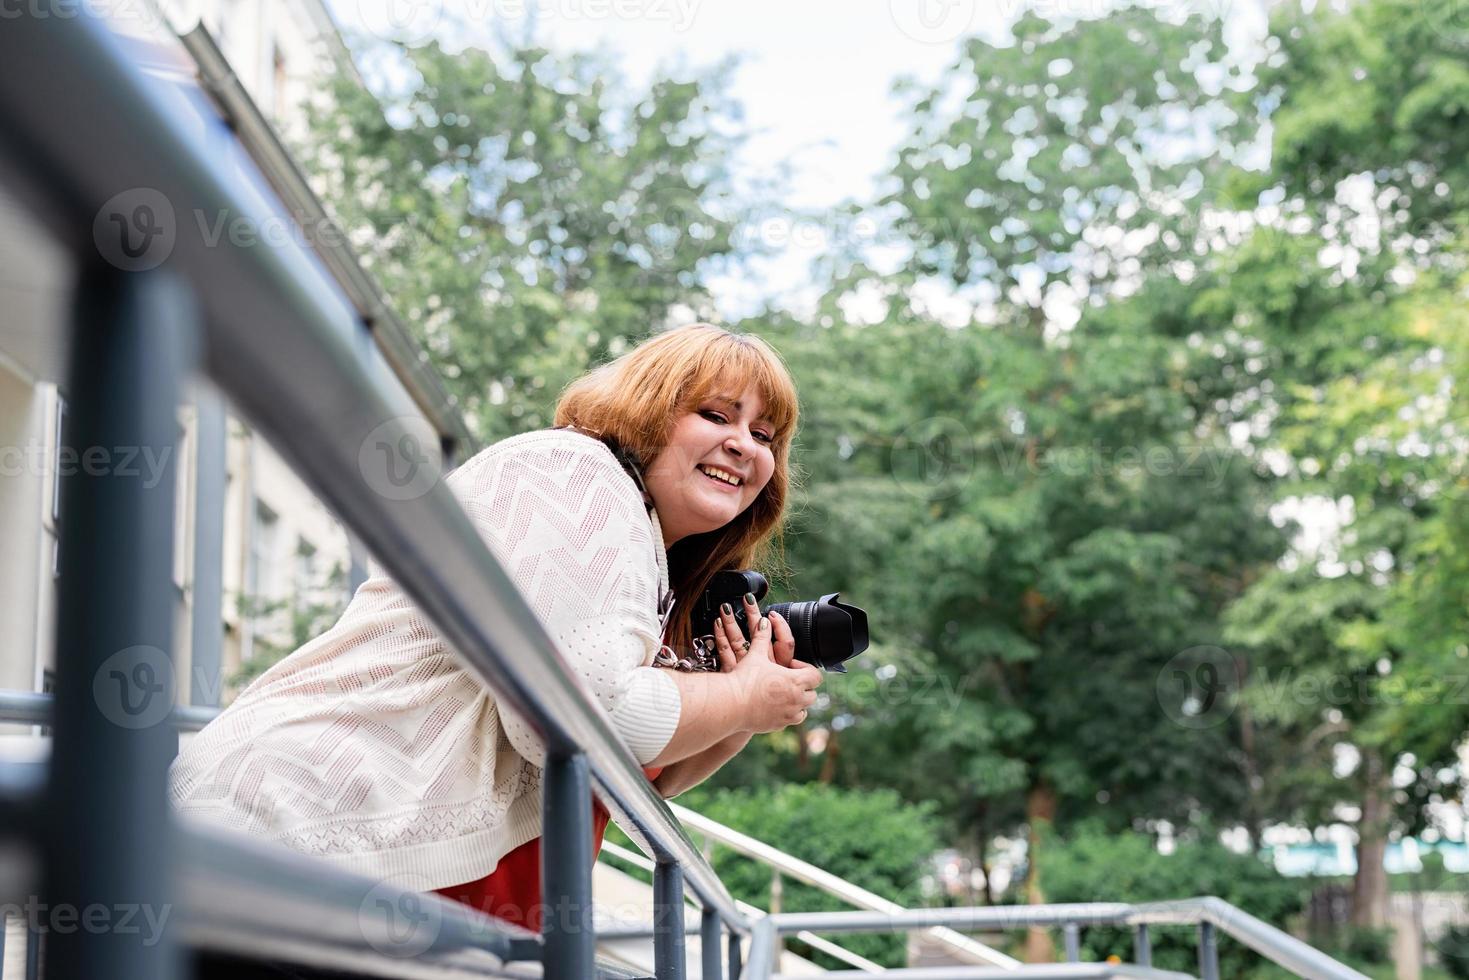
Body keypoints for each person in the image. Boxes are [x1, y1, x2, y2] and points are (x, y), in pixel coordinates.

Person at [168, 322, 824, 933]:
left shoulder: (647, 567)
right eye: (715, 415)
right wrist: (743, 699)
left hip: (353, 885)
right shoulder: (576, 472)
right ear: (645, 410)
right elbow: (582, 718)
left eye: (766, 436)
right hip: (292, 841)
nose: (743, 445)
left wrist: (745, 706)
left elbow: (630, 780)